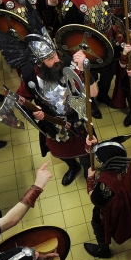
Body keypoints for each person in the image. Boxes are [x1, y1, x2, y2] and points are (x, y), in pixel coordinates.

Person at [16, 33, 96, 186]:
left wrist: (84, 70)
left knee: (86, 150)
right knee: (61, 153)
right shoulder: (29, 74)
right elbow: (21, 100)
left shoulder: (66, 63)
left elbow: (93, 93)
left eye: (54, 54)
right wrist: (34, 111)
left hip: (76, 119)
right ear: (39, 63)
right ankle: (73, 167)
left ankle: (88, 170)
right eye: (50, 58)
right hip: (52, 124)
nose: (57, 59)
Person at [83, 137, 131, 258]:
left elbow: (96, 200)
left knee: (98, 225)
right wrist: (96, 146)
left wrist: (90, 179)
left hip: (111, 210)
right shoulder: (124, 163)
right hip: (128, 200)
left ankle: (103, 250)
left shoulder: (106, 183)